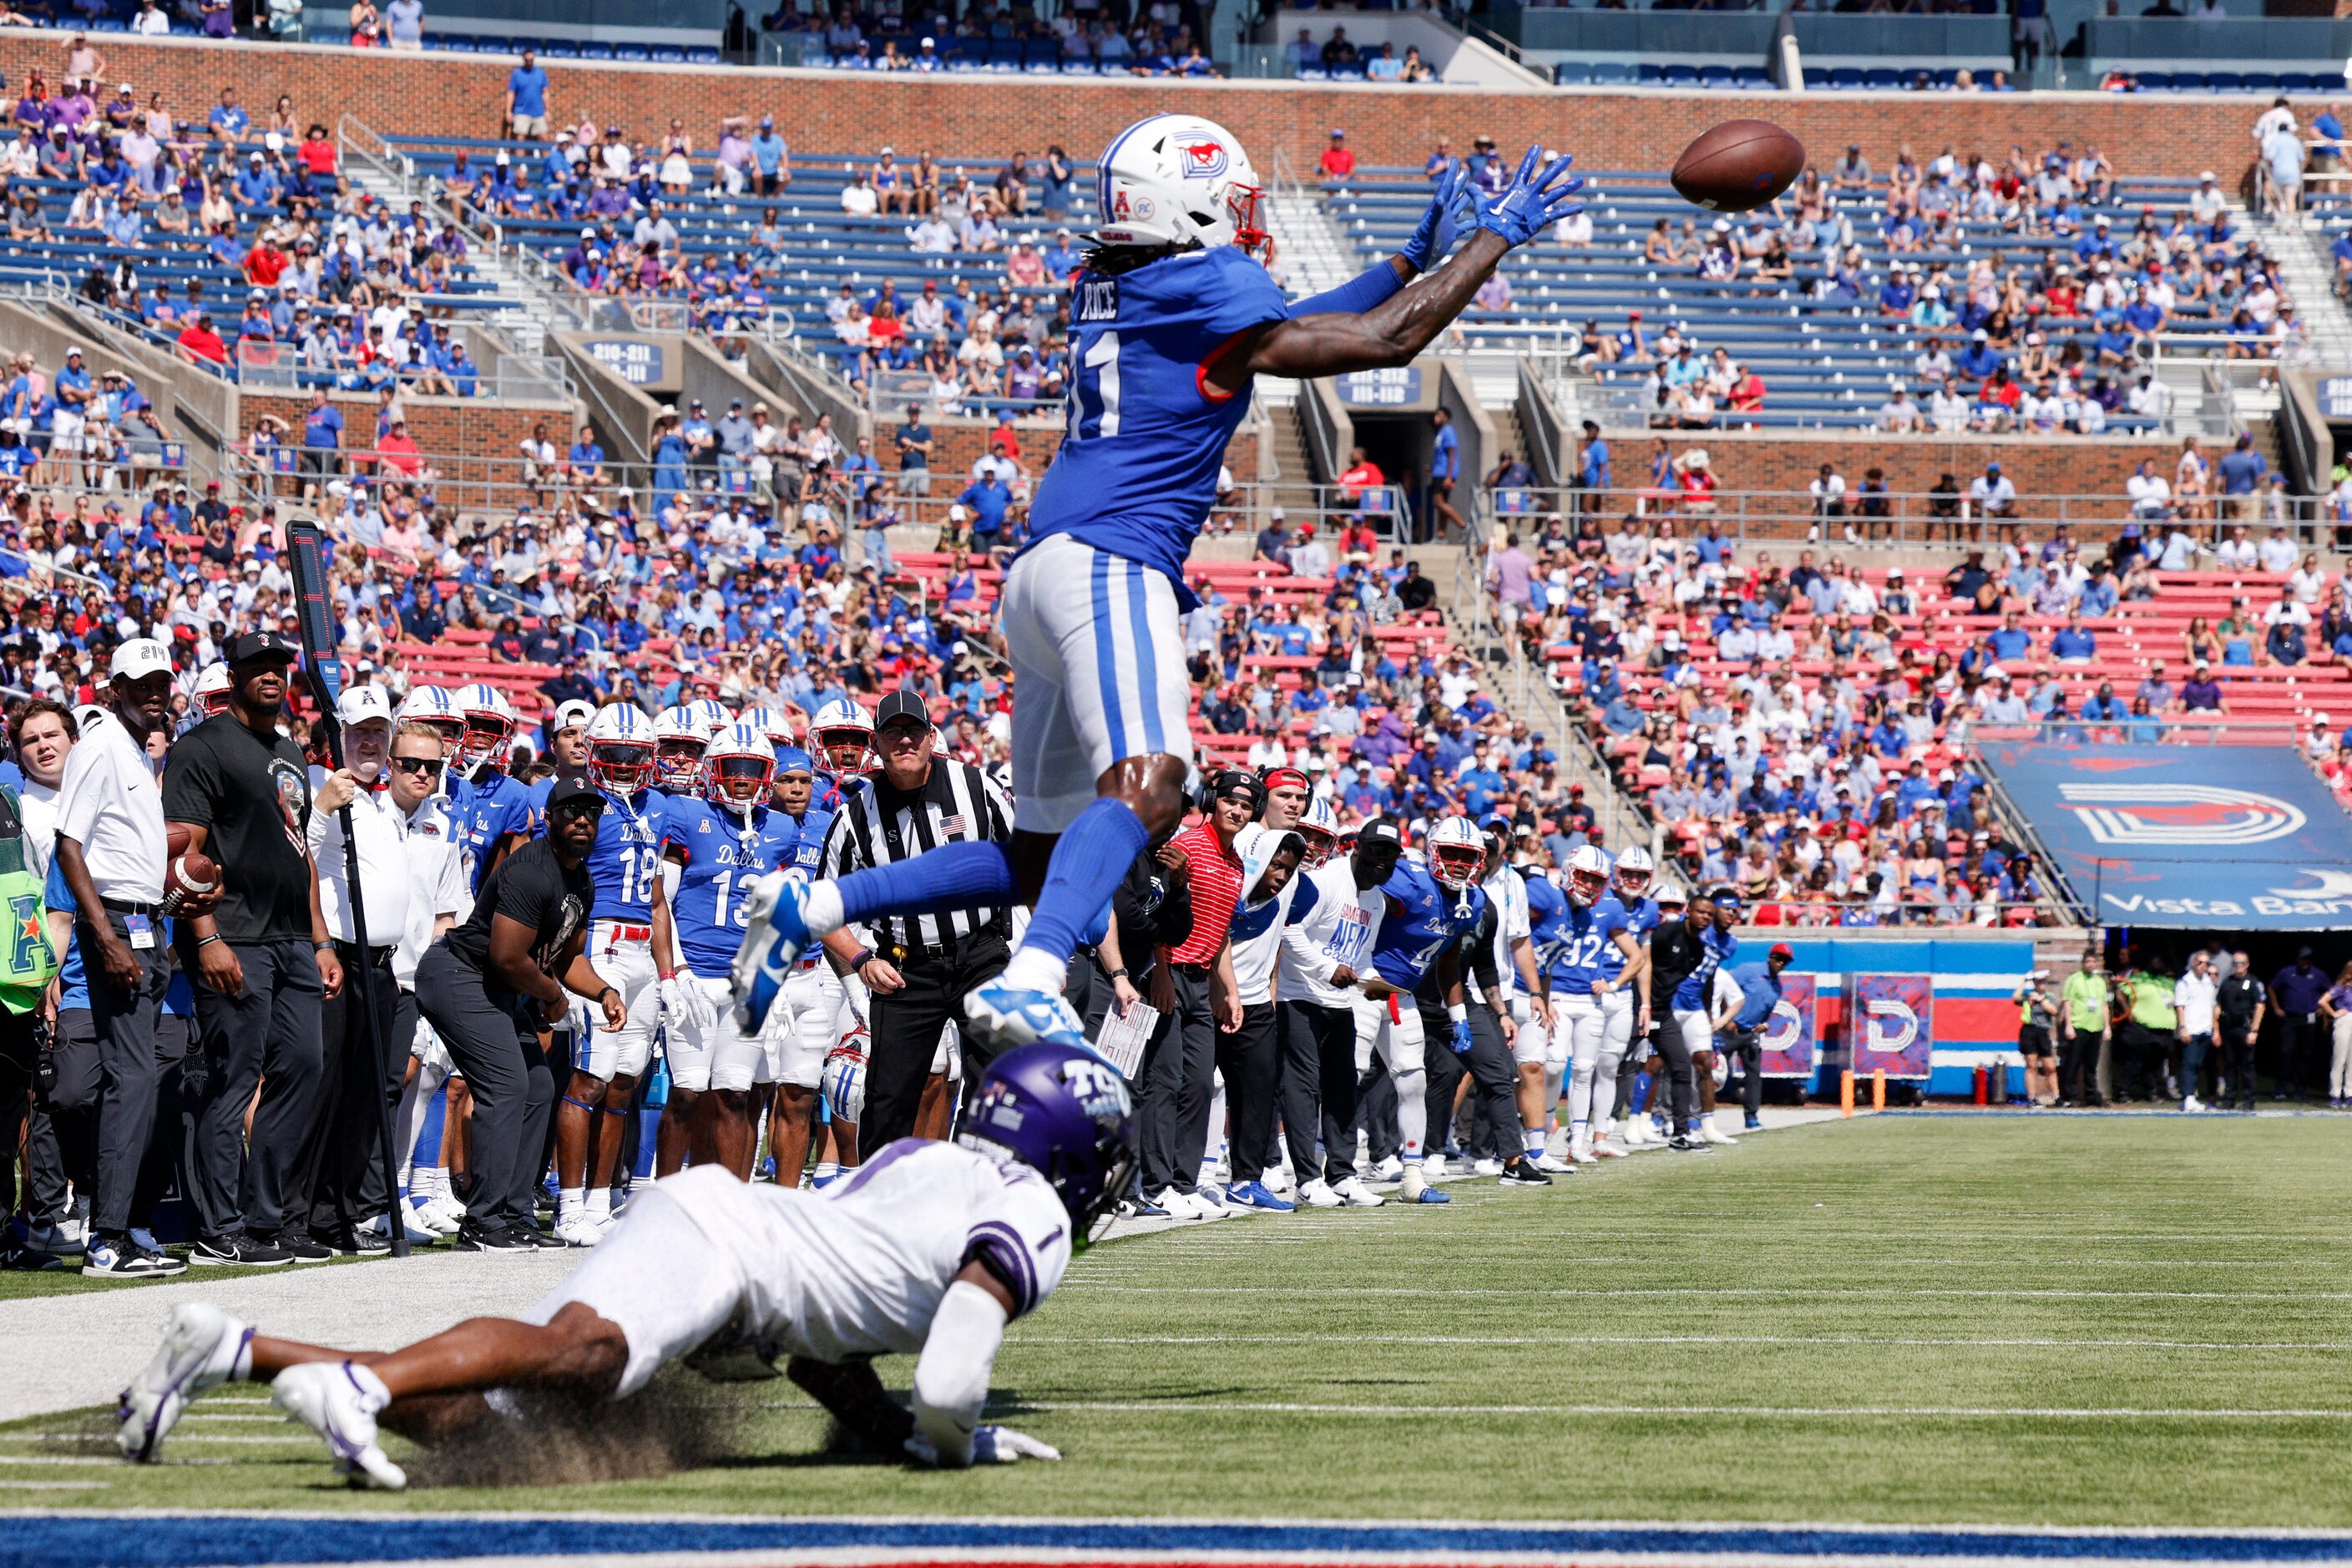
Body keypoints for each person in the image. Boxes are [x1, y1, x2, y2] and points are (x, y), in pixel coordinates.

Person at [734, 118, 1581, 1058]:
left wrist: (1403, 257)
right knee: (1154, 787)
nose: (1249, 222)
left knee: (1042, 857)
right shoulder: (1206, 281)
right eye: (1235, 204)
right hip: (1112, 563)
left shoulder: (1121, 278)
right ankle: (1036, 977)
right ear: (1192, 204)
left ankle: (814, 902)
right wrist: (1490, 239)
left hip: (1043, 572)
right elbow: (1386, 341)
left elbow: (1294, 331)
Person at [114, 1041, 1132, 1487]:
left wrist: (900, 1435)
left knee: (486, 1423)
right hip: (725, 1248)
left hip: (728, 1246)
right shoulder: (1028, 1208)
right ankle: (362, 1383)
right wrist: (957, 1439)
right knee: (581, 1352)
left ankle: (236, 1350)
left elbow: (831, 1344)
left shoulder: (934, 1168)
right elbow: (953, 1370)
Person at [164, 631, 339, 1266]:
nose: (271, 675)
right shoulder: (201, 747)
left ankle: (266, 1221)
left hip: (294, 940)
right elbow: (184, 853)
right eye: (257, 667)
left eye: (279, 667)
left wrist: (320, 941)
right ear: (232, 676)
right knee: (234, 1080)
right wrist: (205, 939)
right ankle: (219, 1228)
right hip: (235, 935)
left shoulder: (289, 750)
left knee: (303, 1068)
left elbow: (301, 853)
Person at [414, 770, 622, 1252]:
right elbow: (507, 956)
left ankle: (515, 1214)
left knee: (538, 1085)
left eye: (590, 812)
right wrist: (551, 996)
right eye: (570, 811)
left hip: (495, 985)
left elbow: (568, 956)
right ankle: (482, 1221)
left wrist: (604, 991)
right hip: (459, 974)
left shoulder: (580, 878)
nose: (581, 821)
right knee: (507, 1083)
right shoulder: (533, 869)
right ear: (549, 818)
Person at [809, 690, 1013, 1151]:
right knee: (886, 1101)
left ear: (930, 736)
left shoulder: (978, 788)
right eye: (893, 732)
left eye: (914, 730)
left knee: (1001, 1081)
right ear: (877, 743)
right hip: (905, 968)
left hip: (981, 954)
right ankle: (884, 1210)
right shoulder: (855, 815)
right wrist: (861, 960)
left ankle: (983, 1190)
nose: (905, 740)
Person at [50, 642, 181, 1277]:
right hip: (118, 924)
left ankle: (117, 1228)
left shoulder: (131, 747)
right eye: (140, 683)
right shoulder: (101, 744)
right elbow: (69, 844)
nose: (153, 693)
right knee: (131, 1080)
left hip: (143, 922)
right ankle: (107, 1236)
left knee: (137, 1080)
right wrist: (103, 936)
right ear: (114, 687)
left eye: (161, 682)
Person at [290, 685, 412, 1252]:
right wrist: (320, 810)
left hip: (382, 964)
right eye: (359, 731)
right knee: (324, 1091)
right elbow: (299, 860)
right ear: (338, 735)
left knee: (366, 1097)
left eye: (378, 732)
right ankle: (300, 1212)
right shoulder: (318, 784)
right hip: (336, 956)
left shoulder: (386, 803)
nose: (369, 741)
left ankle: (339, 1213)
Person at [655, 726, 805, 1181]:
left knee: (735, 1094)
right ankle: (665, 1197)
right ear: (713, 770)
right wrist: (673, 970)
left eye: (752, 769)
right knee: (686, 1093)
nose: (741, 778)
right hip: (695, 973)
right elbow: (661, 900)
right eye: (732, 768)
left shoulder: (781, 828)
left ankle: (730, 1200)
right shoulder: (687, 814)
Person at [550, 705, 675, 1247]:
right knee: (591, 1077)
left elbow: (657, 898)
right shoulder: (582, 804)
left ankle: (602, 1201)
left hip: (643, 952)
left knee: (625, 1082)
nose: (624, 766)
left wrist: (669, 974)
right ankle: (568, 1205)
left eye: (634, 757)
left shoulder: (662, 808)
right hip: (598, 944)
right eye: (615, 755)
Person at [1134, 768, 1251, 1219]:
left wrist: (1231, 991)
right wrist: (1160, 971)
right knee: (1163, 1082)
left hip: (1201, 982)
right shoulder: (1183, 845)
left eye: (1245, 805)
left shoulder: (1237, 862)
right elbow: (1159, 910)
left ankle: (1183, 1182)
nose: (1237, 811)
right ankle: (1155, 1184)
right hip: (1166, 973)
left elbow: (1219, 935)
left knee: (1200, 1083)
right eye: (1229, 802)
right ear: (1212, 801)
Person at [1275, 818, 1403, 1208]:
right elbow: (1289, 930)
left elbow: (1360, 955)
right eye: (1376, 850)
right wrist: (1327, 969)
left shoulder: (1377, 901)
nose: (1382, 860)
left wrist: (1374, 980)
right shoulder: (1325, 881)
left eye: (1390, 854)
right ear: (1356, 847)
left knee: (1343, 1087)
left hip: (1338, 1002)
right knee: (1302, 1089)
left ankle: (1343, 1174)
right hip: (1299, 997)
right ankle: (1307, 1178)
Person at [1526, 843, 1646, 1161]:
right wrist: (1544, 994)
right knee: (1552, 1066)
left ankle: (1577, 1142)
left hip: (1590, 1000)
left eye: (1596, 880)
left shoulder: (1608, 909)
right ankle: (1545, 1130)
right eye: (1584, 877)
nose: (1589, 885)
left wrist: (1615, 984)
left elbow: (1636, 956)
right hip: (1559, 998)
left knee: (1583, 1069)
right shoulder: (1557, 902)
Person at [1719, 940, 1795, 1132]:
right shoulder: (1749, 971)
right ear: (1770, 957)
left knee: (1754, 1076)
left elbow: (1766, 1012)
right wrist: (1726, 1019)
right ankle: (1699, 1114)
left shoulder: (1777, 987)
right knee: (1713, 1072)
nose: (1781, 963)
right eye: (1778, 958)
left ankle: (1751, 1117)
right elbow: (1724, 992)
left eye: (1785, 961)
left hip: (1751, 1033)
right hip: (1730, 1029)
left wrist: (1764, 1025)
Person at [2270, 946, 2328, 1100]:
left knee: (2305, 1054)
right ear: (2298, 959)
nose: (2305, 962)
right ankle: (2280, 1087)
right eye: (2303, 959)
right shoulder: (2287, 972)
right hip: (2290, 1017)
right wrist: (2276, 1007)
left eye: (2308, 959)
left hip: (2309, 1018)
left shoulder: (2318, 974)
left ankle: (2300, 1089)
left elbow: (2330, 991)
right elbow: (2271, 988)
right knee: (2286, 1052)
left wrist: (2323, 1007)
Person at [2058, 947, 2110, 1108]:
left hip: (2095, 1026)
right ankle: (2069, 1095)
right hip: (2079, 1025)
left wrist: (2107, 1026)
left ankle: (2091, 1094)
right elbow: (2068, 1003)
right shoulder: (2074, 980)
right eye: (2088, 961)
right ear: (2083, 963)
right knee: (2073, 1062)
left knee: (2091, 1064)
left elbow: (2104, 1005)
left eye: (2094, 961)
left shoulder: (2100, 982)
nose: (2090, 964)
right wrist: (2069, 1025)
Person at [2217, 950, 2265, 1111]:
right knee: (2230, 1064)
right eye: (2236, 963)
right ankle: (2229, 1100)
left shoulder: (2253, 982)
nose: (2239, 966)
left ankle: (2249, 1100)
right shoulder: (2227, 982)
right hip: (2228, 1028)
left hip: (2245, 1027)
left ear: (2247, 965)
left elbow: (2260, 1006)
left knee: (2247, 1066)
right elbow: (2218, 1005)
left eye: (2242, 963)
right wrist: (2216, 1028)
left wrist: (2255, 1030)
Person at [2174, 950, 2218, 1113]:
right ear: (2194, 963)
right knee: (2189, 1064)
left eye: (2207, 963)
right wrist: (2183, 1027)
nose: (2203, 966)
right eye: (2200, 963)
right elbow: (2180, 1006)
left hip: (2206, 1029)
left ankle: (2191, 1096)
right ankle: (2188, 1097)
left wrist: (2214, 1029)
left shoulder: (2208, 981)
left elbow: (2213, 1006)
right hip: (2191, 1029)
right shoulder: (2185, 982)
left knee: (2198, 1065)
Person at [2015, 968, 2059, 1107]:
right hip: (2029, 1031)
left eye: (2043, 981)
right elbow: (2015, 998)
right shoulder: (2028, 997)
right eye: (2038, 981)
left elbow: (2054, 1011)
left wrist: (2041, 1000)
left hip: (2043, 1032)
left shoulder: (2049, 996)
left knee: (2050, 1066)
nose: (2041, 984)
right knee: (2031, 1065)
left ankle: (2057, 1097)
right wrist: (2024, 981)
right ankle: (2032, 1097)